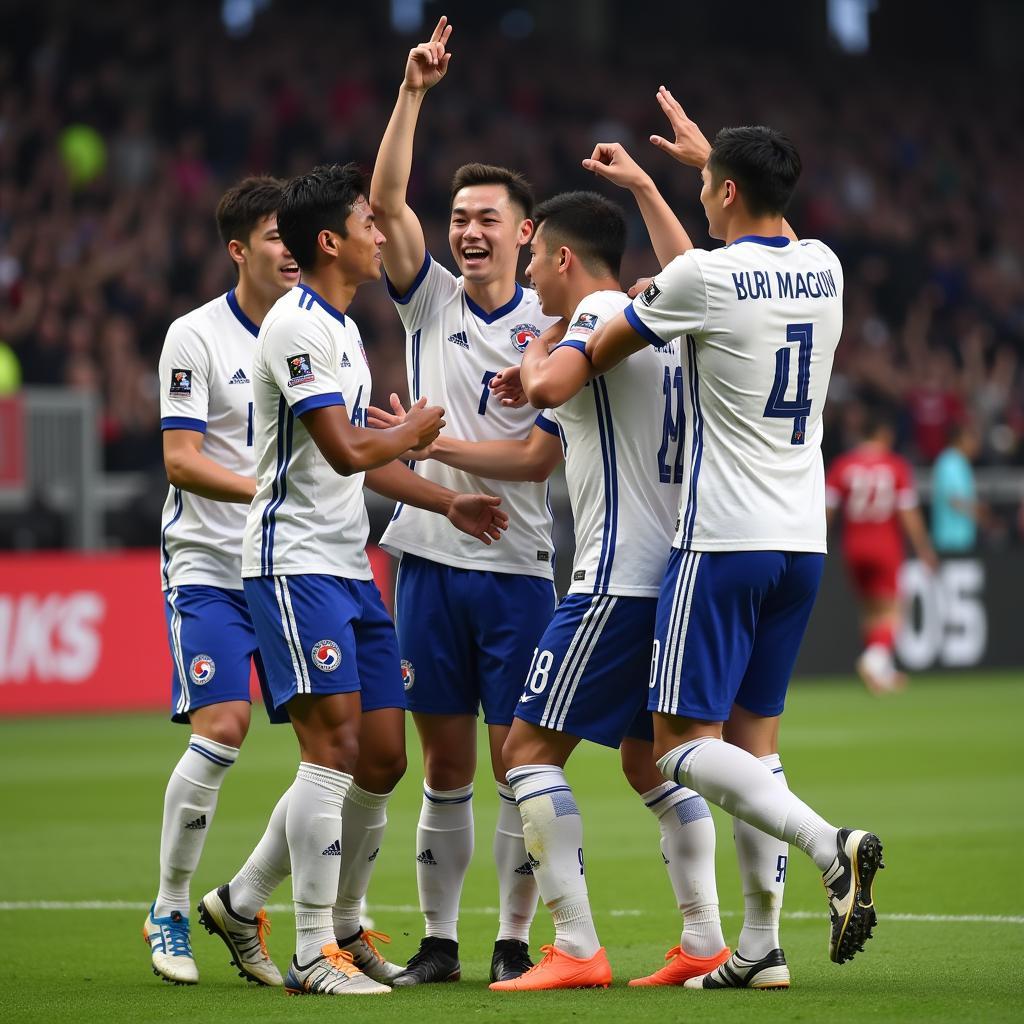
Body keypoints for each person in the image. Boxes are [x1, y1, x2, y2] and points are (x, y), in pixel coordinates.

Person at [373, 180, 731, 992]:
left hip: (603, 576)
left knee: (526, 756)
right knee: (657, 762)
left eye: (528, 249)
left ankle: (565, 945)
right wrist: (645, 184)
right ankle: (712, 937)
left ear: (548, 245)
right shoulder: (667, 312)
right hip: (678, 569)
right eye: (457, 218)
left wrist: (522, 368)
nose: (528, 268)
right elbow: (688, 269)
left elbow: (543, 405)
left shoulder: (593, 320)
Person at [587, 88, 883, 988]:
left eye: (712, 184)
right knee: (754, 746)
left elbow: (610, 343)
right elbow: (754, 241)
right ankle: (760, 948)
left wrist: (566, 350)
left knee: (678, 746)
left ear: (717, 195)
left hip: (721, 540)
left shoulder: (702, 281)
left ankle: (833, 844)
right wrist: (709, 166)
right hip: (803, 542)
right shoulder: (827, 266)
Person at [236, 163, 509, 997]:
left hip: (351, 568)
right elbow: (349, 450)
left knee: (385, 758)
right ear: (332, 241)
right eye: (367, 222)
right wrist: (420, 431)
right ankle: (315, 949)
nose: (380, 232)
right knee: (332, 752)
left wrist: (446, 499)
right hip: (294, 566)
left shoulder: (347, 329)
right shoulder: (293, 326)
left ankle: (285, 910)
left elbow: (367, 465)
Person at [369, 17, 560, 985]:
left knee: (517, 766)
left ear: (525, 233)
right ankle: (440, 942)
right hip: (430, 565)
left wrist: (423, 440)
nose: (469, 231)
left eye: (488, 218)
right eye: (460, 219)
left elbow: (534, 455)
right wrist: (413, 93)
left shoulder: (555, 326)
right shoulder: (429, 300)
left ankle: (515, 941)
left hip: (520, 569)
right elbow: (384, 199)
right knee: (444, 770)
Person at [145, 176, 295, 988]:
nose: (293, 250)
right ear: (239, 250)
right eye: (277, 236)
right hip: (209, 564)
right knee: (225, 723)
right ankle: (169, 906)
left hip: (295, 566)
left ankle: (259, 906)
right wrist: (269, 491)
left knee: (342, 745)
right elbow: (180, 459)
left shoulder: (322, 333)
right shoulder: (195, 336)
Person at [825, 410, 938, 692]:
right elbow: (908, 514)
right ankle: (874, 660)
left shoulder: (843, 465)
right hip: (884, 545)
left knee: (869, 609)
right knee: (892, 610)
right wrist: (924, 548)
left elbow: (827, 509)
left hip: (853, 546)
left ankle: (882, 673)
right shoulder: (895, 465)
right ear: (884, 435)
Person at [931, 422, 982, 554]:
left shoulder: (961, 462)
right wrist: (983, 516)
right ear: (959, 439)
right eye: (971, 437)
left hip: (962, 540)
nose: (975, 442)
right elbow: (955, 500)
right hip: (951, 541)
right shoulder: (950, 463)